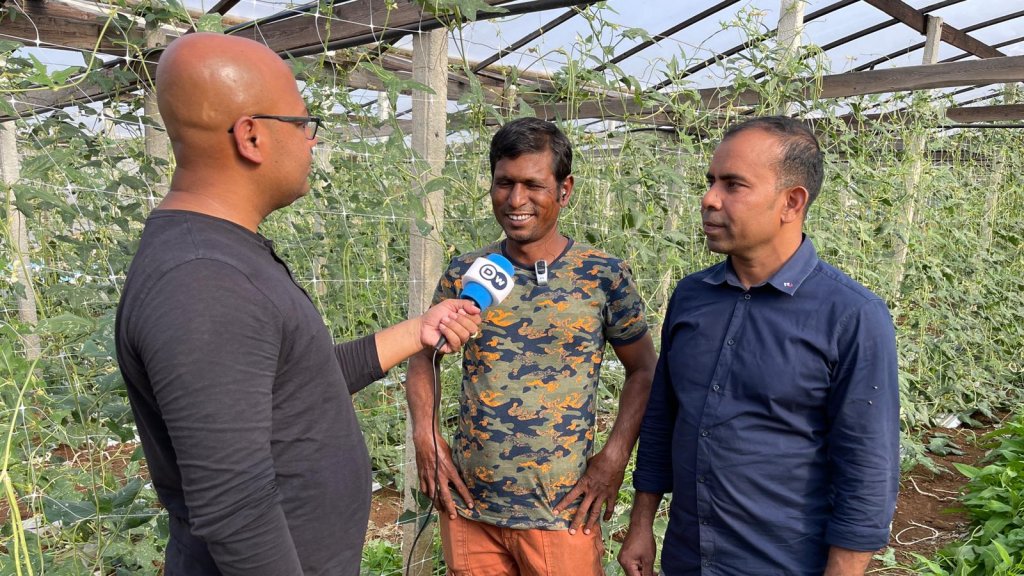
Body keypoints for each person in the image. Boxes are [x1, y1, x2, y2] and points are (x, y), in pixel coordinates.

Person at [114, 33, 482, 576]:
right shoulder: (203, 280)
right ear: (252, 136)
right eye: (302, 124)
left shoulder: (220, 257)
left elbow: (295, 383)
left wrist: (417, 332)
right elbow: (235, 507)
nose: (310, 142)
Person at [618, 116, 900, 576]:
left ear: (791, 202)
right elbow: (663, 417)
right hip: (688, 558)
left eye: (734, 185)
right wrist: (642, 522)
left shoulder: (851, 316)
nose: (709, 199)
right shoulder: (691, 298)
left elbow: (867, 470)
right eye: (711, 181)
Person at [405, 117, 657, 575]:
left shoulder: (602, 275)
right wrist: (426, 436)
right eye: (504, 183)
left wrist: (614, 456)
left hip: (561, 513)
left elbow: (644, 371)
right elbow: (424, 357)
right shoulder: (468, 272)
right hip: (469, 510)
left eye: (533, 185)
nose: (516, 200)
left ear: (565, 190)